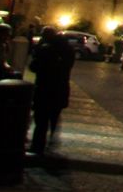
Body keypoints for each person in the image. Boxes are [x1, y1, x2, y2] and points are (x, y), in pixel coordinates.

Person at [28, 27, 74, 155]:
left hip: (45, 88)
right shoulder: (68, 49)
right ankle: (50, 145)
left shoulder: (46, 49)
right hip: (60, 89)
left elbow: (34, 66)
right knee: (54, 117)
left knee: (41, 119)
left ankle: (37, 146)